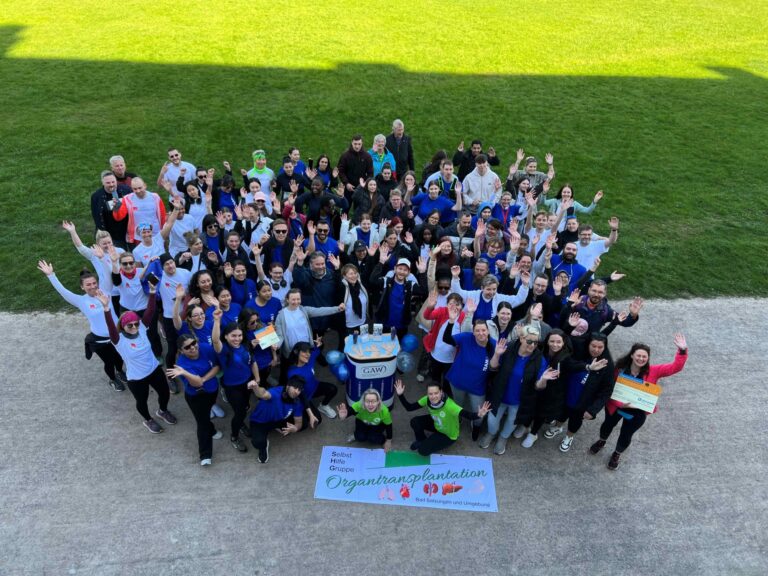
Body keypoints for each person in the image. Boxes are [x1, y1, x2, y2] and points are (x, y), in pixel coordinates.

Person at [590, 333, 689, 470]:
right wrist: (620, 404)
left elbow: (675, 367)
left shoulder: (654, 371)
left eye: (644, 356)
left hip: (637, 412)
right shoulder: (618, 369)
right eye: (638, 355)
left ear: (648, 358)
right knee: (607, 425)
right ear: (632, 355)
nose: (641, 359)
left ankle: (617, 453)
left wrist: (682, 351)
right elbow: (608, 389)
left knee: (626, 434)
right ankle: (602, 440)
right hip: (616, 407)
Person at [37, 260, 126, 391]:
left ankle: (120, 371)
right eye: (88, 284)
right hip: (100, 339)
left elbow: (107, 274)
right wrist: (51, 275)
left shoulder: (106, 291)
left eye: (94, 283)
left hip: (117, 334)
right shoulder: (80, 301)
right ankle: (113, 379)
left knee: (119, 357)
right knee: (109, 362)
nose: (92, 286)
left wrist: (101, 259)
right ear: (82, 287)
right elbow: (62, 291)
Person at [99, 288, 176, 433]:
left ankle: (162, 411)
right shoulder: (118, 340)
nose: (134, 327)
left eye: (136, 323)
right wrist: (106, 308)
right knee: (142, 401)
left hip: (154, 369)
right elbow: (110, 326)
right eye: (130, 325)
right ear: (123, 326)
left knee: (165, 392)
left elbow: (150, 310)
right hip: (137, 378)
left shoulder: (142, 328)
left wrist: (152, 293)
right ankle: (148, 420)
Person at [482, 325, 549, 455]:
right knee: (492, 420)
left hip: (519, 400)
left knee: (512, 421)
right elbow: (493, 367)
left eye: (536, 342)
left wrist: (543, 379)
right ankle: (491, 433)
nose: (532, 345)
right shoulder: (508, 348)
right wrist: (496, 354)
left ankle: (503, 438)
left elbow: (539, 386)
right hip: (500, 395)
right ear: (521, 338)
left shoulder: (539, 359)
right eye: (529, 341)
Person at [547, 330, 614, 453]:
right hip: (567, 393)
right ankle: (558, 427)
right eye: (593, 346)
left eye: (600, 347)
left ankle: (569, 436)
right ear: (588, 344)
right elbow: (568, 364)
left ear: (605, 347)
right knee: (561, 414)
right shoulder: (578, 353)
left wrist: (593, 410)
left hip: (583, 401)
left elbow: (607, 390)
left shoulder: (608, 365)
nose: (596, 350)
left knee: (575, 421)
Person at [395, 380, 491, 456]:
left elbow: (467, 415)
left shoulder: (450, 406)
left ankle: (425, 443)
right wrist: (400, 395)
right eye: (430, 394)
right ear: (427, 394)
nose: (433, 396)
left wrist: (479, 414)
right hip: (437, 423)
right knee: (415, 421)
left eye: (436, 393)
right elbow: (409, 407)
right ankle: (421, 440)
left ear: (441, 392)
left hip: (448, 435)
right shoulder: (427, 399)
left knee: (422, 451)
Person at [166, 334, 222, 466]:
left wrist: (203, 378)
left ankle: (212, 429)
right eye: (187, 347)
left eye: (193, 343)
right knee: (202, 423)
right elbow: (196, 384)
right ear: (181, 351)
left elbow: (217, 367)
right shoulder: (181, 365)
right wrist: (185, 373)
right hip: (196, 396)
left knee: (206, 415)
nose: (192, 347)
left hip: (212, 390)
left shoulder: (205, 348)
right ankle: (205, 454)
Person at [441, 309, 497, 439]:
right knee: (458, 405)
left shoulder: (494, 345)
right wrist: (450, 322)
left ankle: (476, 426)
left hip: (477, 388)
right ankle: (458, 419)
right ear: (473, 332)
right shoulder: (466, 337)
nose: (480, 333)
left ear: (488, 331)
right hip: (457, 382)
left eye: (483, 330)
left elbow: (497, 366)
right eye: (477, 330)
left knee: (479, 413)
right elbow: (446, 339)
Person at [211, 309, 258, 454]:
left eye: (239, 335)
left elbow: (253, 362)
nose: (236, 338)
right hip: (232, 387)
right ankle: (235, 436)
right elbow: (215, 340)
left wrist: (257, 378)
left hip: (248, 383)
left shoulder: (245, 345)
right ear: (226, 336)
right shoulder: (224, 350)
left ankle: (241, 424)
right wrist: (217, 321)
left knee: (245, 408)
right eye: (233, 336)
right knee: (239, 413)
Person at [274, 289, 345, 384]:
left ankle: (304, 389)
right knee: (285, 374)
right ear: (287, 300)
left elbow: (320, 311)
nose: (296, 302)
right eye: (293, 299)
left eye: (298, 299)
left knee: (305, 370)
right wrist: (277, 345)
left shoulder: (304, 310)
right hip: (291, 352)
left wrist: (337, 309)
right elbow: (280, 335)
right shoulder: (281, 315)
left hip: (305, 349)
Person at [247, 375, 317, 464]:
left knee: (304, 424)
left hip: (277, 420)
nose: (297, 392)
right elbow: (263, 393)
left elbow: (298, 422)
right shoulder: (275, 393)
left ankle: (275, 427)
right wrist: (255, 387)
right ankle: (264, 446)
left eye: (299, 390)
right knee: (258, 442)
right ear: (288, 386)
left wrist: (295, 428)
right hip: (259, 422)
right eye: (295, 387)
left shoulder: (297, 402)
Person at [371, 255, 428, 339]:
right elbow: (373, 280)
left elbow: (423, 291)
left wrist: (422, 273)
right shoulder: (386, 281)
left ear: (408, 272)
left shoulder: (410, 285)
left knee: (398, 347)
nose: (402, 272)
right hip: (384, 323)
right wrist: (381, 263)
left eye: (405, 270)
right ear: (395, 269)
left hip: (401, 325)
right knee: (381, 346)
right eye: (400, 268)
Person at [287, 339, 338, 422]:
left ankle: (323, 406)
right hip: (304, 397)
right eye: (304, 352)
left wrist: (320, 343)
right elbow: (298, 394)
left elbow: (317, 350)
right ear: (296, 352)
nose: (308, 355)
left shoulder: (309, 358)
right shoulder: (292, 373)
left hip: (315, 387)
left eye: (309, 352)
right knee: (317, 420)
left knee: (333, 389)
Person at [112, 177, 167, 247]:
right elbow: (119, 217)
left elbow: (162, 215)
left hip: (155, 234)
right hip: (138, 237)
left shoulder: (155, 197)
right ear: (131, 188)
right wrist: (116, 209)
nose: (138, 191)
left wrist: (163, 232)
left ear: (145, 186)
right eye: (135, 189)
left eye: (140, 188)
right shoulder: (127, 199)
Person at [90, 170, 131, 248]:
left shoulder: (126, 190)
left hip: (127, 230)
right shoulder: (96, 197)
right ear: (103, 183)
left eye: (113, 182)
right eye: (108, 183)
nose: (111, 185)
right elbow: (96, 216)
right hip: (111, 233)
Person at [337, 135, 373, 200]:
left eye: (359, 144)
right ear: (352, 143)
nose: (357, 146)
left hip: (361, 188)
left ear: (362, 144)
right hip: (348, 188)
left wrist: (364, 184)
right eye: (355, 144)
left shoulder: (367, 157)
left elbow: (370, 173)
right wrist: (346, 183)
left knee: (360, 209)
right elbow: (341, 171)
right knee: (346, 208)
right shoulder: (345, 156)